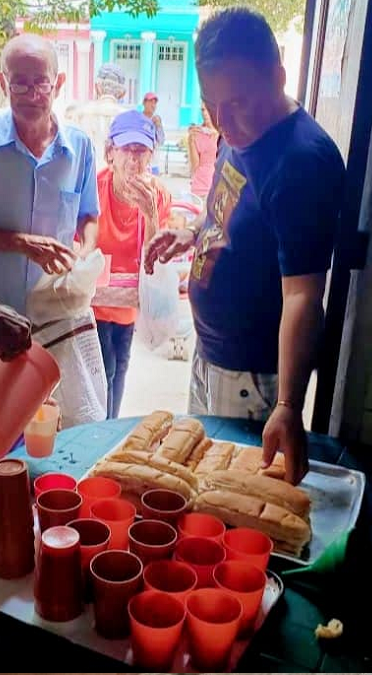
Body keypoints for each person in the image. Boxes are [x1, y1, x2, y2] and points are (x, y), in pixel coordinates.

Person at [145, 7, 345, 486]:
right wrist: (194, 231)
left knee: (234, 504)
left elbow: (303, 295)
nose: (222, 120)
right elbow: (229, 208)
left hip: (252, 380)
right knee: (196, 485)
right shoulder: (234, 129)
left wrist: (288, 407)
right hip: (210, 352)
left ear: (277, 76)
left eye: (237, 102)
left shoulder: (302, 162)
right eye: (211, 103)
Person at [0, 33, 100, 316]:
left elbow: (88, 216)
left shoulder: (79, 147)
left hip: (56, 316)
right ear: (2, 83)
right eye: (20, 83)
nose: (32, 95)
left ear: (58, 84)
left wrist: (83, 254)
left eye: (41, 83)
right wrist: (21, 243)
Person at [92, 111, 175, 419]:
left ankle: (109, 429)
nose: (134, 160)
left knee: (121, 367)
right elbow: (79, 247)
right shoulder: (94, 188)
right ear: (110, 152)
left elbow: (154, 261)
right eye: (127, 150)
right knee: (105, 370)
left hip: (128, 305)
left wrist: (151, 216)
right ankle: (101, 431)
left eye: (141, 151)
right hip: (94, 305)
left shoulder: (158, 196)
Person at [68, 63, 131, 171]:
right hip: (115, 182)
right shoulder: (129, 119)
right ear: (122, 93)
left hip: (85, 180)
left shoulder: (78, 114)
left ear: (97, 87)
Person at [187, 104, 220, 203]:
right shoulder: (197, 134)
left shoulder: (224, 133)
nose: (205, 113)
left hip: (217, 188)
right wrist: (191, 141)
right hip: (200, 188)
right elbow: (195, 166)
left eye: (208, 109)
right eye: (203, 110)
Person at [142, 92, 167, 174]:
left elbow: (161, 141)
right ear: (144, 103)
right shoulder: (138, 119)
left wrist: (159, 126)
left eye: (155, 103)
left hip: (153, 165)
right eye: (150, 102)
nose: (153, 105)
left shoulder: (157, 120)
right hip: (140, 164)